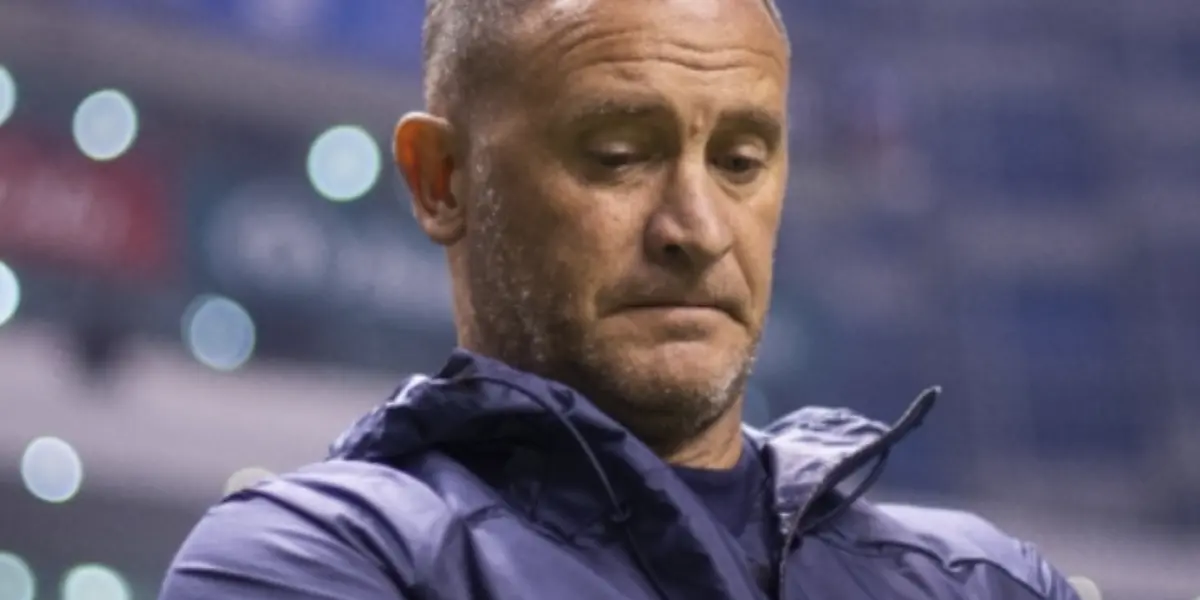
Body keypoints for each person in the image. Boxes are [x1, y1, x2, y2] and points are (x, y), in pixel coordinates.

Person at [161, 0, 1082, 598]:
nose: (698, 226)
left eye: (740, 162)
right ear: (442, 179)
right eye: (618, 156)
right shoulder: (311, 561)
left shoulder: (983, 579)